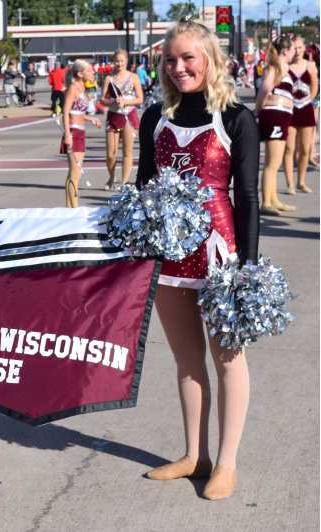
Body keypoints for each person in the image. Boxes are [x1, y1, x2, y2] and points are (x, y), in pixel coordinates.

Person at [136, 20, 259, 501]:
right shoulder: (154, 117)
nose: (178, 66)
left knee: (229, 359)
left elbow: (246, 196)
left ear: (209, 59)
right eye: (170, 59)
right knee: (187, 360)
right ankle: (195, 455)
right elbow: (145, 189)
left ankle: (226, 463)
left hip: (219, 254)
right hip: (168, 257)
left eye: (188, 57)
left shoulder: (235, 117)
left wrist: (247, 269)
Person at [257, 36, 297, 215]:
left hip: (282, 116)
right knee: (272, 162)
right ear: (285, 51)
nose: (295, 52)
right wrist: (259, 109)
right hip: (274, 114)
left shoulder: (284, 69)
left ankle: (273, 199)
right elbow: (265, 89)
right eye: (293, 49)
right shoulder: (273, 67)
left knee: (277, 160)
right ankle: (266, 202)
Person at [100, 49, 143, 190]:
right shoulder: (109, 78)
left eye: (122, 61)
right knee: (110, 153)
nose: (119, 63)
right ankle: (112, 177)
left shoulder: (134, 77)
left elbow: (140, 99)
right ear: (113, 62)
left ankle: (124, 182)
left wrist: (126, 102)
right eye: (117, 61)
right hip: (113, 115)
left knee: (127, 152)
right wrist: (111, 102)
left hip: (129, 115)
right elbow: (102, 99)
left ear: (126, 61)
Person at [60, 60, 101, 208]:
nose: (93, 73)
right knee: (75, 173)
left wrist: (91, 118)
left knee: (74, 173)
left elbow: (77, 112)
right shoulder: (73, 88)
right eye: (89, 71)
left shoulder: (82, 88)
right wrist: (67, 135)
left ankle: (69, 207)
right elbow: (65, 112)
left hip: (81, 131)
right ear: (79, 73)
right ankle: (73, 207)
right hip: (73, 131)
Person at [283, 36, 317, 194]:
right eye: (294, 48)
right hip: (289, 110)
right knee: (289, 148)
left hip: (305, 108)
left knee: (304, 149)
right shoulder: (285, 65)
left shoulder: (310, 65)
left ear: (304, 48)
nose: (297, 51)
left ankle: (301, 181)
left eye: (300, 48)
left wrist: (309, 100)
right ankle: (290, 183)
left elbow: (315, 86)